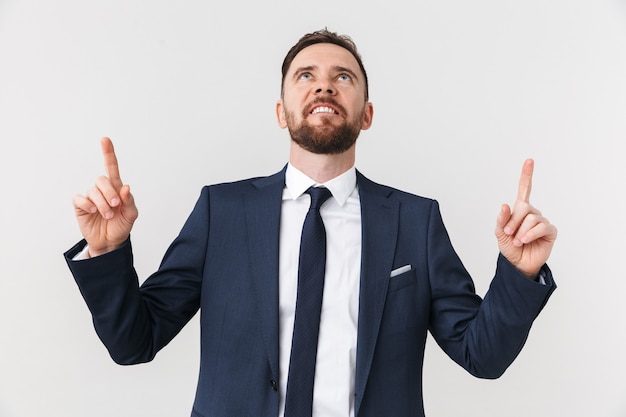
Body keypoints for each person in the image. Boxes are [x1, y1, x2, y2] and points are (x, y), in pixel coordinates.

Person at [64, 29, 557, 417]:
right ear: (282, 112)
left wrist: (519, 273)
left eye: (343, 76)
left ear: (366, 114)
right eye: (306, 75)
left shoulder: (415, 221)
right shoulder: (222, 212)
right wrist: (107, 252)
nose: (324, 84)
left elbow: (482, 355)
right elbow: (134, 342)